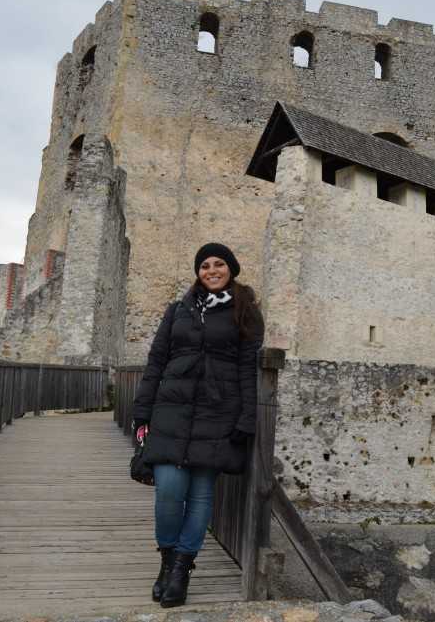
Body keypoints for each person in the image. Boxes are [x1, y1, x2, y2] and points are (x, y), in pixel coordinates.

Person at [131, 242, 264, 608]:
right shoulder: (178, 310)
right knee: (169, 491)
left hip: (217, 411)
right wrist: (141, 411)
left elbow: (248, 370)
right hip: (171, 410)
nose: (211, 270)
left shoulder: (246, 312)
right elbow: (157, 361)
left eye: (219, 264)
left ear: (231, 269)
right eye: (204, 265)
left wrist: (247, 417)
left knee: (202, 494)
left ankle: (181, 569)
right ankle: (167, 559)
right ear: (198, 272)